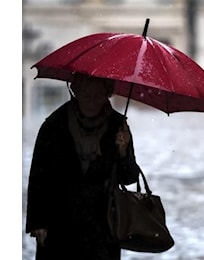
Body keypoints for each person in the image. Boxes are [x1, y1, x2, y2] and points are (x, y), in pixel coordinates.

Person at [25, 73, 141, 259]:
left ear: (108, 94)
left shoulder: (118, 126)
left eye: (98, 96)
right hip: (59, 225)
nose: (92, 102)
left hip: (102, 229)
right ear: (75, 91)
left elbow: (129, 178)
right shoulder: (54, 125)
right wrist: (38, 222)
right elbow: (39, 176)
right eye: (86, 96)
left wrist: (123, 152)